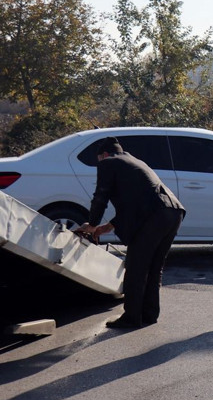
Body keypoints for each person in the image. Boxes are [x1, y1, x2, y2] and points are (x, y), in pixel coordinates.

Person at [78, 137, 185, 329]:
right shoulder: (133, 161)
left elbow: (100, 196)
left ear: (103, 155)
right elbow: (136, 201)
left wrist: (92, 224)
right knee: (153, 266)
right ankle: (149, 314)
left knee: (136, 266)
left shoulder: (108, 163)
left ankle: (131, 317)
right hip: (173, 212)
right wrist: (107, 226)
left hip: (155, 215)